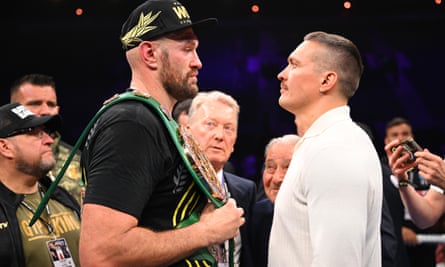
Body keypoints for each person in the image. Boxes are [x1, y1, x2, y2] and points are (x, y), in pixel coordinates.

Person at [79, 1, 245, 266]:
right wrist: (206, 232)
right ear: (150, 54)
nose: (198, 63)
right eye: (187, 49)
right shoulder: (132, 124)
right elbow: (100, 254)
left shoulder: (154, 121)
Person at [268, 31, 382, 266]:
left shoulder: (334, 149)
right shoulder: (324, 143)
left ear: (326, 80)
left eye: (294, 64)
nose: (282, 74)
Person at [0, 102, 81, 267]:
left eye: (46, 132)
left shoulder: (63, 197)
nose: (50, 140)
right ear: (5, 147)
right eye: (34, 133)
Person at [187, 90, 257, 266]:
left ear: (235, 141)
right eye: (210, 124)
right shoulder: (165, 185)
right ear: (187, 132)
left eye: (228, 128)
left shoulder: (246, 191)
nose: (219, 135)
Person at [10, 73, 83, 205]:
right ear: (14, 110)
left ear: (57, 110)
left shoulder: (80, 163)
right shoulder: (4, 159)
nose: (45, 111)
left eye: (51, 104)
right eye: (35, 103)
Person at [382, 116, 439, 267]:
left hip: (426, 244)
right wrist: (402, 180)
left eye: (405, 134)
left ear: (412, 137)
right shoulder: (378, 172)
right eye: (395, 135)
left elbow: (429, 219)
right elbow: (426, 217)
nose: (400, 138)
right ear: (386, 141)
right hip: (394, 242)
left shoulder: (432, 168)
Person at [249, 134, 299, 267]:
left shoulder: (321, 219)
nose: (277, 178)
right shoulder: (253, 219)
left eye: (288, 167)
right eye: (270, 167)